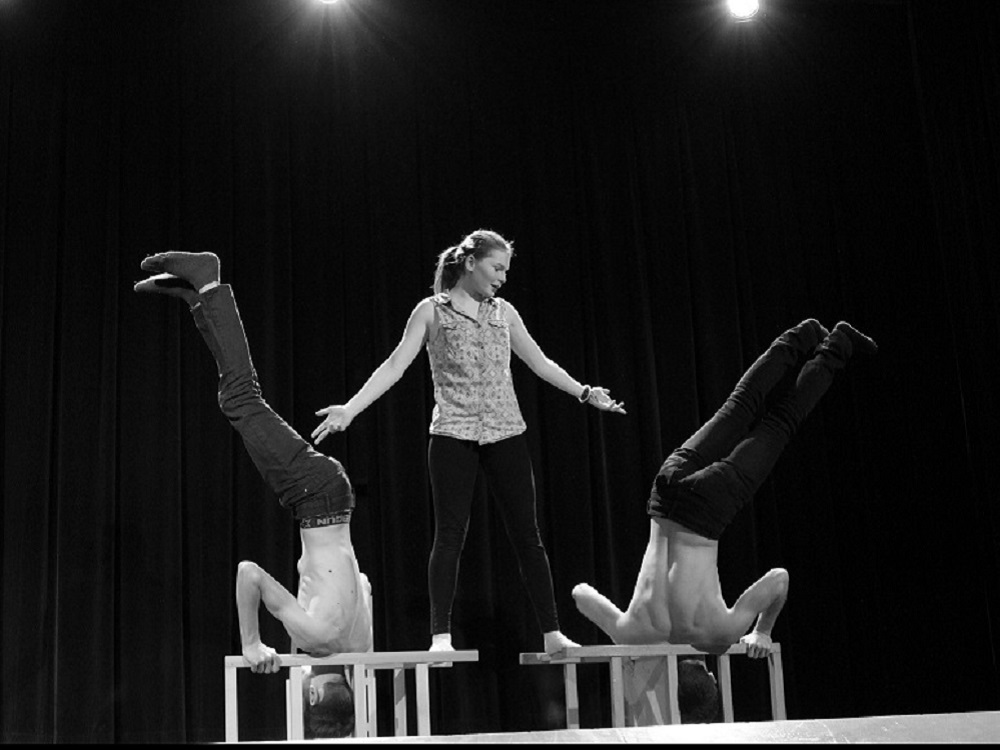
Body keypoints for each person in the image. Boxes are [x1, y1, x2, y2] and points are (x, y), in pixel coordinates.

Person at [311, 229, 626, 655]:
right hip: (453, 435)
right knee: (450, 536)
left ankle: (552, 633)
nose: (503, 278)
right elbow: (394, 365)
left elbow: (540, 362)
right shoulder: (432, 312)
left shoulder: (505, 314)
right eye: (497, 268)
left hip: (505, 432)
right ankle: (441, 636)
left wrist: (585, 392)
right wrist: (350, 408)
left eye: (506, 271)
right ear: (472, 262)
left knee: (527, 535)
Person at [571, 318, 877, 720]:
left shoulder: (718, 636)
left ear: (711, 678)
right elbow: (579, 593)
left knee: (779, 423)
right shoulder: (633, 633)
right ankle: (801, 335)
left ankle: (838, 345)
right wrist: (623, 652)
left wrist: (762, 631)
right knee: (739, 405)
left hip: (708, 512)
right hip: (663, 500)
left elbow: (780, 578)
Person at [133, 251, 373, 697]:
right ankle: (208, 282)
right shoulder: (317, 640)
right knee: (242, 398)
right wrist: (252, 642)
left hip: (329, 498)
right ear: (316, 691)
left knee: (237, 401)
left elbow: (363, 584)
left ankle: (195, 300)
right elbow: (249, 573)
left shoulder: (352, 646)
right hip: (313, 495)